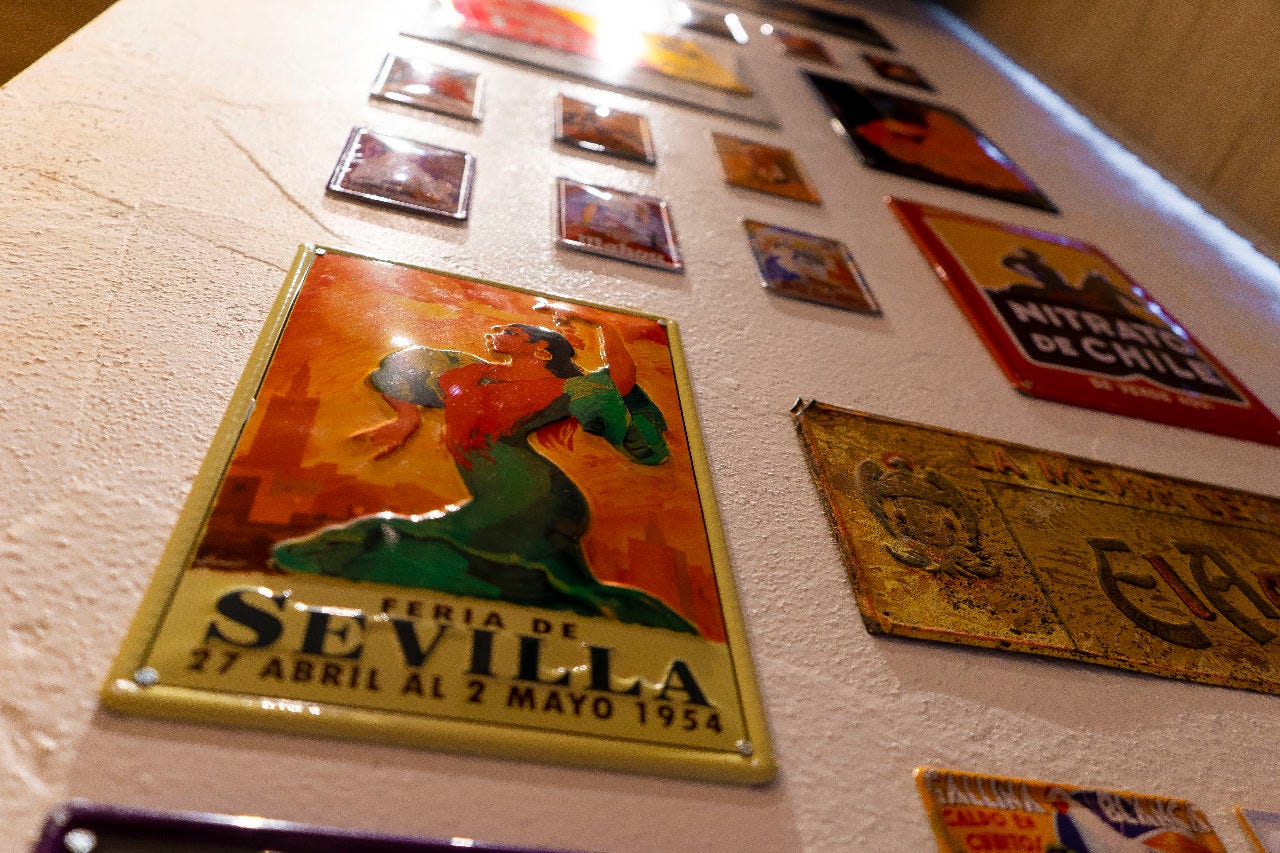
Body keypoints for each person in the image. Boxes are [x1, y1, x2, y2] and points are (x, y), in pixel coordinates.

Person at [271, 303, 697, 634]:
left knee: (394, 540)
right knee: (397, 539)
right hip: (498, 492)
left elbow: (621, 379)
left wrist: (603, 325)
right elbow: (399, 370)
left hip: (533, 496)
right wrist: (407, 418)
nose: (497, 333)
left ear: (540, 348)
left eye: (511, 331)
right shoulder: (472, 373)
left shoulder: (564, 388)